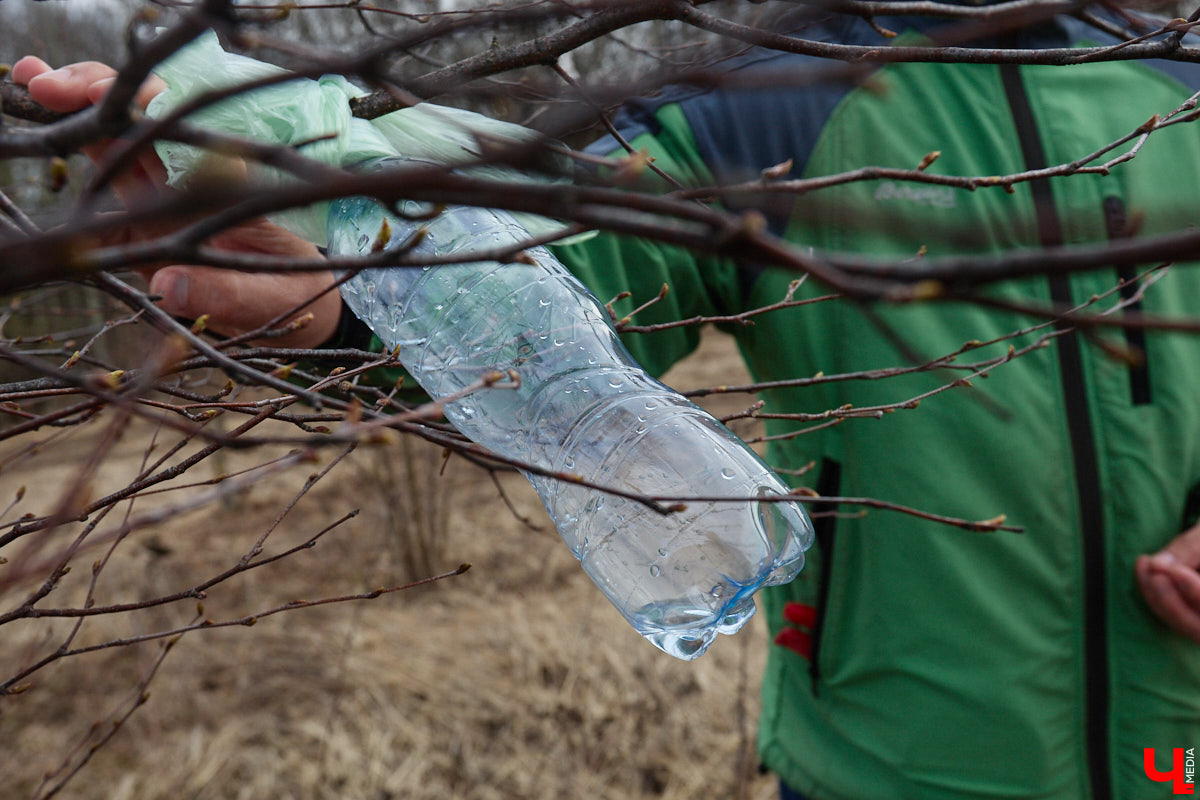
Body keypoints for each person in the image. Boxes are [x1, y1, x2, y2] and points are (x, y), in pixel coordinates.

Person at [13, 5, 1200, 798]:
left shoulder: (1177, 90)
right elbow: (572, 292)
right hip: (892, 754)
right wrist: (347, 304)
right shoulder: (771, 101)